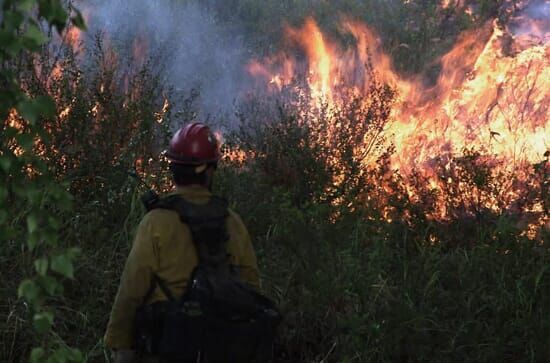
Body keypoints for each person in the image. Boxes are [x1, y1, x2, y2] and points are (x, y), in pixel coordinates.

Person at [104, 123, 262, 363]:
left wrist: (120, 344)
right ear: (210, 170)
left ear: (174, 168)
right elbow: (251, 286)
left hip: (168, 350)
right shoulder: (232, 221)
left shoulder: (156, 223)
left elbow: (132, 289)